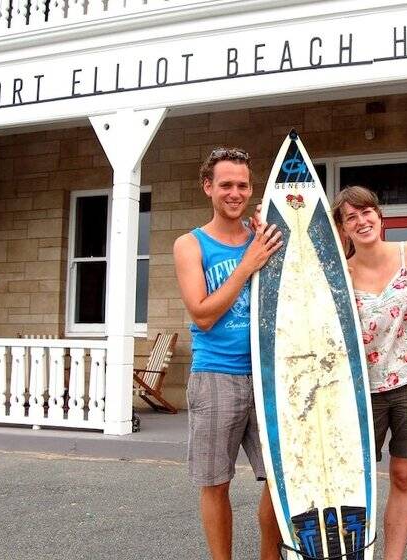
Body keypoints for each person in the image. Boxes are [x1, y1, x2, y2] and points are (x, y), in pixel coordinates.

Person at [173, 147, 283, 560]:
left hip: (267, 376)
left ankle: (269, 555)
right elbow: (201, 315)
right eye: (226, 185)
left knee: (280, 476)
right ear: (208, 188)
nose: (235, 193)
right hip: (216, 374)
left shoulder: (264, 239)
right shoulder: (191, 244)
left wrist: (262, 246)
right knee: (216, 483)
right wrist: (246, 264)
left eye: (242, 185)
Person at [331, 186, 407, 560]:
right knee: (355, 481)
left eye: (366, 212)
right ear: (342, 228)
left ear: (380, 215)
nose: (361, 221)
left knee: (404, 476)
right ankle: (353, 552)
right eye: (351, 217)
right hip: (362, 390)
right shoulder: (340, 274)